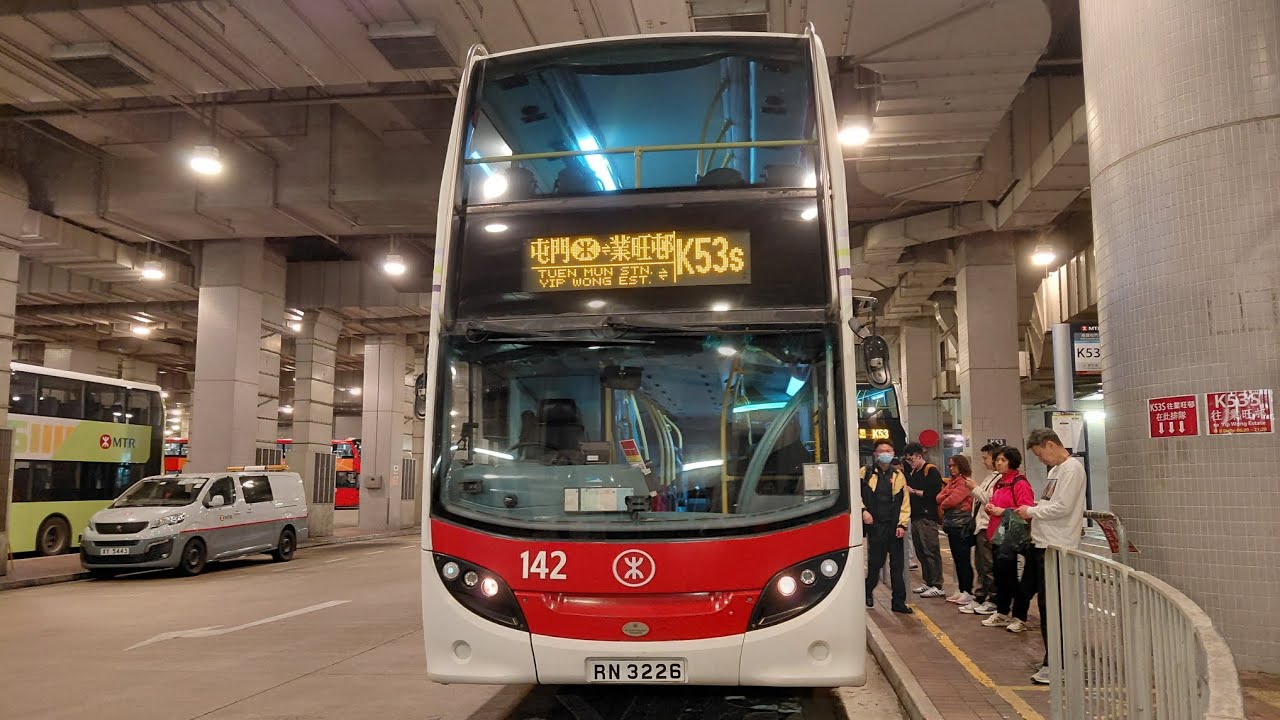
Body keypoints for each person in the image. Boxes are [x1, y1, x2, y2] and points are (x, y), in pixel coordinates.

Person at [1016, 428, 1088, 686]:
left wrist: (1031, 512)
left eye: (1039, 454)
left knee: (1055, 609)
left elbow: (1063, 507)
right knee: (1047, 608)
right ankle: (1052, 659)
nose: (1040, 460)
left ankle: (1059, 664)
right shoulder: (1056, 472)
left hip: (1058, 546)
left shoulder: (1072, 469)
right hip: (1043, 544)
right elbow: (1049, 503)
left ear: (1050, 444)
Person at [980, 446, 1034, 630]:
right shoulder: (1000, 482)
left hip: (1012, 538)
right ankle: (1002, 612)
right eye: (997, 460)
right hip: (997, 535)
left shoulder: (1019, 482)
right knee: (1001, 577)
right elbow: (995, 501)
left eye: (1003, 460)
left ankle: (1019, 616)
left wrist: (1002, 511)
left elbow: (1026, 508)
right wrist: (991, 507)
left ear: (1012, 461)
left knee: (1012, 579)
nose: (998, 463)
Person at [861, 440, 912, 614]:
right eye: (881, 450)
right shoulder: (865, 473)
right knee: (875, 564)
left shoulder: (898, 475)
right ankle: (867, 591)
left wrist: (902, 524)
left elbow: (905, 502)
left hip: (894, 527)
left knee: (897, 568)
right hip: (875, 526)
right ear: (875, 454)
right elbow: (855, 495)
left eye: (888, 450)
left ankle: (898, 602)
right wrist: (863, 511)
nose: (885, 453)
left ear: (893, 453)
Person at [960, 444, 1003, 615]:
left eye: (986, 458)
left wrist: (975, 488)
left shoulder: (1000, 479)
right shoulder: (990, 477)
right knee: (980, 564)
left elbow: (990, 499)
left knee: (988, 565)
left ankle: (993, 599)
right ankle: (980, 596)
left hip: (988, 526)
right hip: (980, 525)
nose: (983, 461)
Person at [903, 442, 945, 597]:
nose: (909, 462)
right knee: (920, 552)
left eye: (911, 458)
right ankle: (928, 582)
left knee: (931, 550)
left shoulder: (930, 471)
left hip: (927, 517)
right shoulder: (914, 472)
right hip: (915, 516)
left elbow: (934, 494)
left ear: (919, 456)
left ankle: (937, 585)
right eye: (907, 459)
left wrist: (913, 491)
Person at [937, 454, 976, 606]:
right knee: (957, 559)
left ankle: (968, 591)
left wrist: (947, 499)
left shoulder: (964, 482)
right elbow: (939, 498)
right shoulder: (953, 482)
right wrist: (947, 498)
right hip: (952, 525)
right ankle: (961, 589)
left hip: (962, 525)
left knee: (963, 559)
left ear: (961, 465)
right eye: (950, 466)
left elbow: (949, 501)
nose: (951, 468)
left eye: (954, 465)